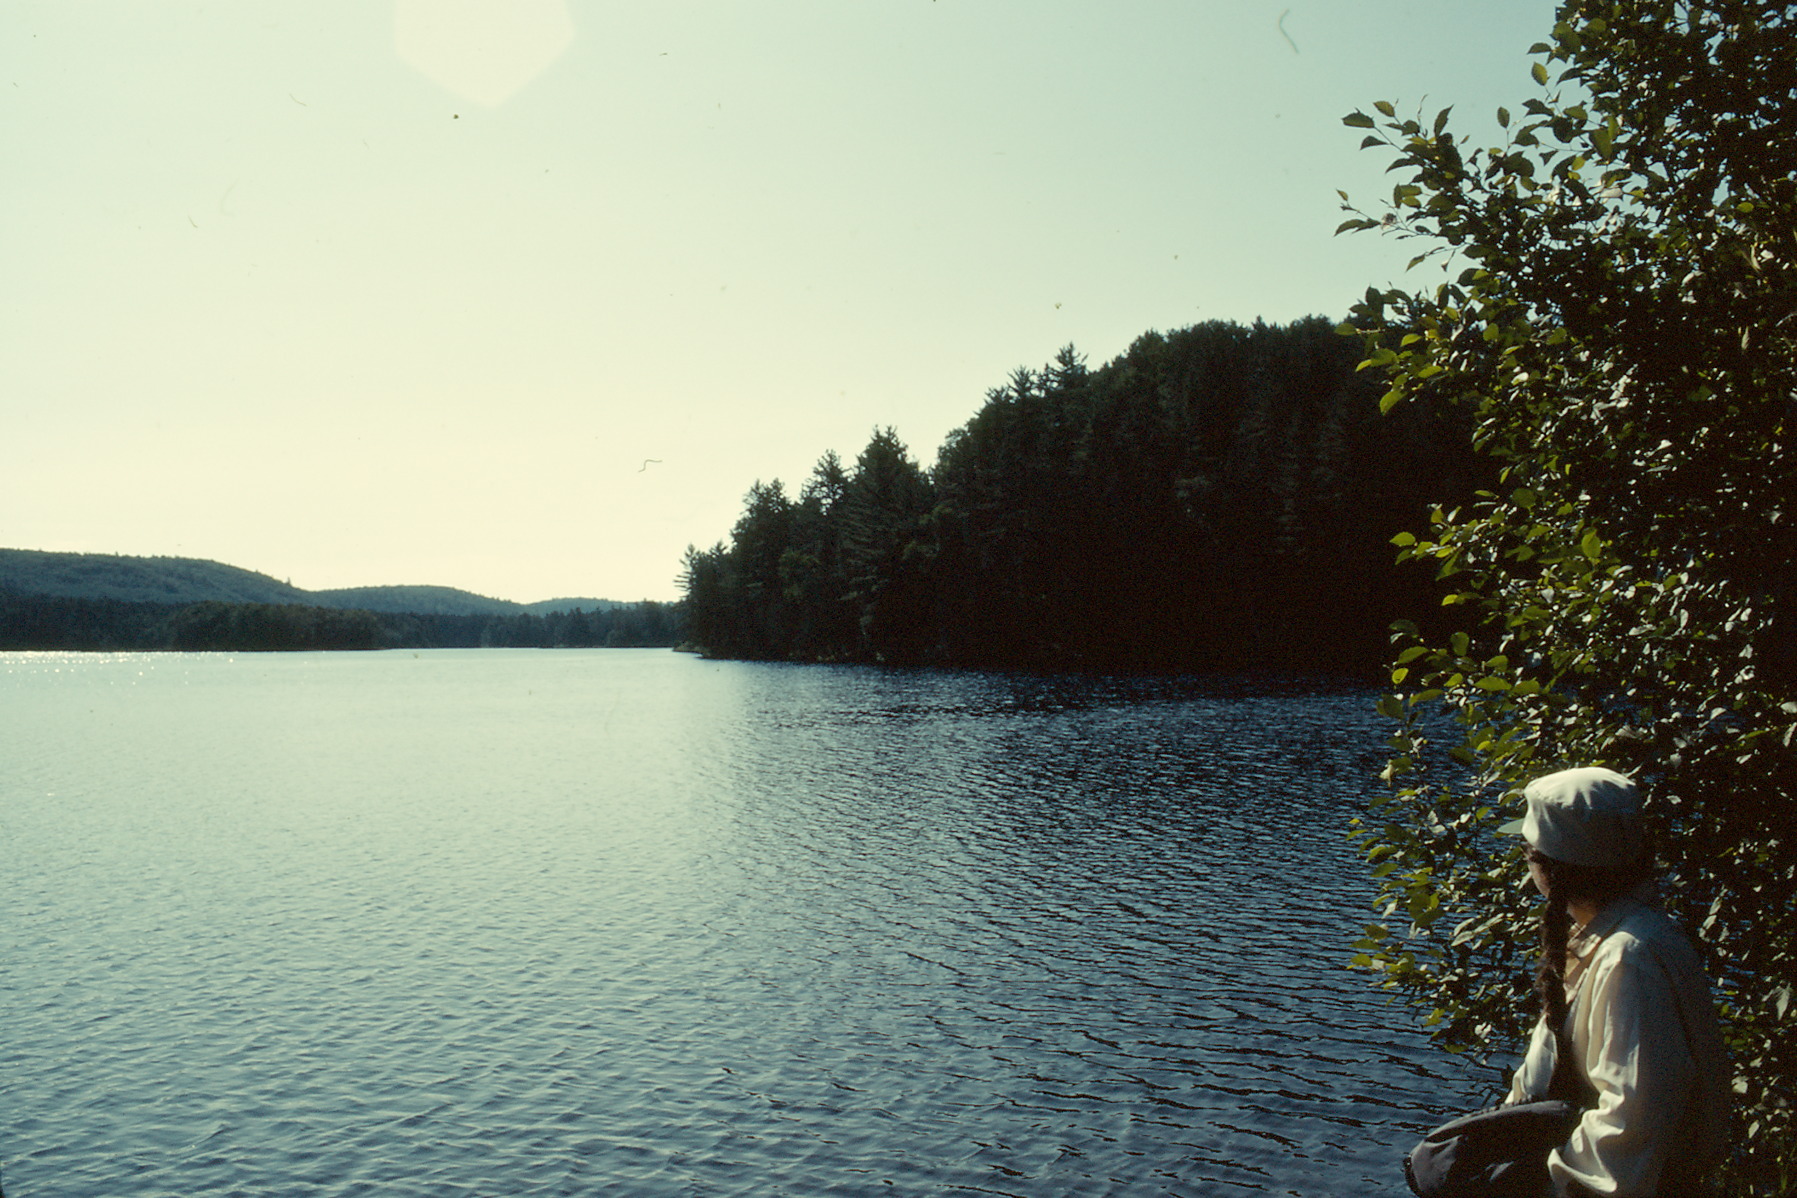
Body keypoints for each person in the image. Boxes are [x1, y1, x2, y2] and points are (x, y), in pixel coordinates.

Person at [1495, 766, 1732, 1197]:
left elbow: (1629, 1127)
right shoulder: (1623, 937)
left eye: (1527, 852)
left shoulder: (1629, 959)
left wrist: (1543, 1186)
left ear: (1548, 868)